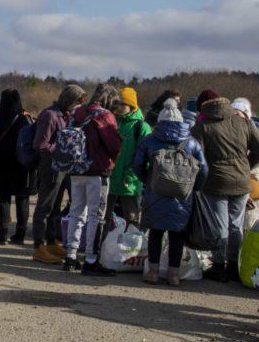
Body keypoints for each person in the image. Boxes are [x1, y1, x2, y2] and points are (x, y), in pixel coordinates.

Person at [134, 99, 208, 286]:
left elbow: (137, 164)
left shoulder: (150, 140)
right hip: (182, 195)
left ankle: (152, 272)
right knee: (177, 234)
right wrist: (194, 187)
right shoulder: (192, 142)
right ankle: (173, 275)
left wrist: (148, 181)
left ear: (160, 120)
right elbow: (204, 169)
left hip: (155, 193)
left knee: (156, 232)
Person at [191, 90, 259, 281]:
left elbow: (197, 157)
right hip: (242, 181)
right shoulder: (244, 122)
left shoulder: (202, 126)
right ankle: (233, 267)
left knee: (219, 225)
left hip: (216, 182)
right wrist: (247, 165)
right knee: (236, 225)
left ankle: (219, 266)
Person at [63, 83, 122, 276]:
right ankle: (90, 259)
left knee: (76, 213)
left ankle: (71, 256)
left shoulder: (77, 112)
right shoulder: (105, 115)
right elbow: (113, 145)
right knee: (96, 216)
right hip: (97, 171)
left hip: (76, 169)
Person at [30, 84, 86, 263]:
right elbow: (40, 144)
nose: (77, 106)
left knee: (55, 207)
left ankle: (51, 241)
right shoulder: (49, 115)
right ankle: (39, 247)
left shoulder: (66, 116)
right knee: (44, 207)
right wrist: (62, 148)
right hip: (50, 167)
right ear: (69, 99)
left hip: (62, 168)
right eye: (77, 102)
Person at [0, 89, 33, 244]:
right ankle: (20, 235)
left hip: (1, 163)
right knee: (23, 198)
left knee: (3, 198)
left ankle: (2, 234)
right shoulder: (26, 118)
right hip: (23, 164)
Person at [106, 86, 150, 228]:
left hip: (130, 182)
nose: (118, 107)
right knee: (105, 219)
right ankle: (103, 248)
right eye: (117, 103)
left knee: (131, 220)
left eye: (122, 104)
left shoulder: (141, 127)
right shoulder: (112, 121)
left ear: (132, 106)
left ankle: (130, 249)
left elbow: (146, 157)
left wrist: (132, 176)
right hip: (110, 180)